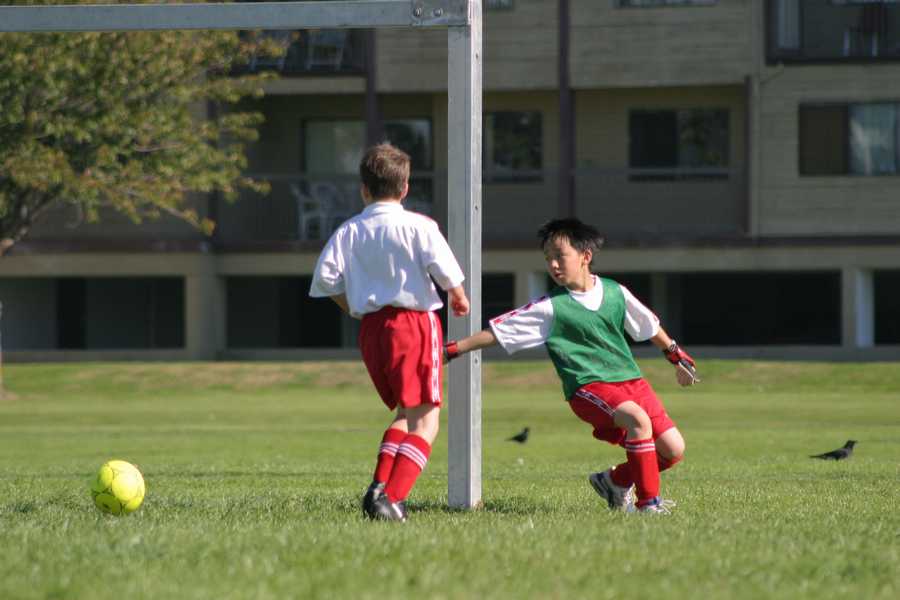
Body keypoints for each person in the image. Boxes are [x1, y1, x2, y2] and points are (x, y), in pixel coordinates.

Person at [444, 218, 698, 514]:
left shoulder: (615, 292)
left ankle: (614, 481)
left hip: (631, 381)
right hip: (589, 386)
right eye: (547, 258)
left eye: (559, 256)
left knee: (673, 449)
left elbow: (648, 325)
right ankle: (648, 506)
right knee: (637, 420)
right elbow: (499, 332)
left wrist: (675, 355)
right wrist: (452, 350)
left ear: (585, 256)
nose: (553, 264)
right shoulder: (551, 306)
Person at [309, 143, 470, 522]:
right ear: (405, 188)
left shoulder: (349, 230)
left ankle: (379, 487)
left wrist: (353, 307)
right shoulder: (419, 225)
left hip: (372, 330)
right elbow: (444, 266)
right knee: (427, 420)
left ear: (364, 189)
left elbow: (325, 280)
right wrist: (458, 295)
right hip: (413, 324)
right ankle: (392, 499)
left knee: (405, 412)